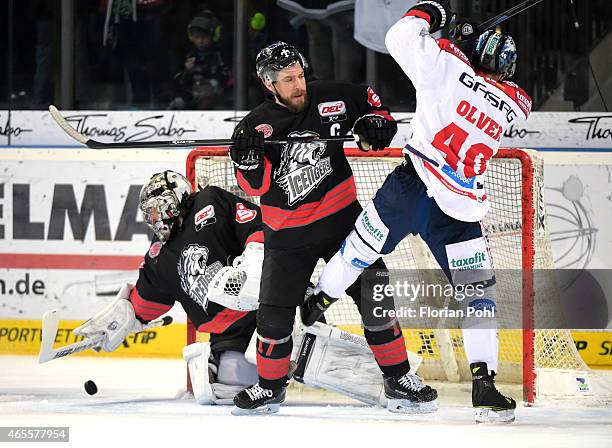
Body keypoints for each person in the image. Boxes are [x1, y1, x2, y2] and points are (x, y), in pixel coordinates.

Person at [306, 1, 532, 423]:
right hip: (460, 211)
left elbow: (399, 37)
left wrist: (437, 18)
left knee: (358, 250)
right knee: (478, 298)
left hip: (408, 190)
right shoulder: (514, 104)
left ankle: (315, 301)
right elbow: (486, 84)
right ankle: (484, 385)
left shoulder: (444, 64)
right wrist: (460, 49)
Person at [229, 41, 438, 415]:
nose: (298, 84)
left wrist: (378, 125)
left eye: (299, 75)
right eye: (288, 79)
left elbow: (375, 106)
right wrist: (247, 161)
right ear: (268, 84)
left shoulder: (334, 97)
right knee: (274, 316)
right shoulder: (253, 128)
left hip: (343, 223)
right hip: (288, 237)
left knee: (375, 291)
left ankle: (398, 379)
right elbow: (256, 188)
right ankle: (270, 387)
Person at [73, 171, 265, 404]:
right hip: (227, 332)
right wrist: (115, 321)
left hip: (261, 306)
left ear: (173, 201)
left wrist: (255, 264)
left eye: (155, 210)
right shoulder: (159, 255)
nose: (153, 219)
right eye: (148, 214)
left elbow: (257, 226)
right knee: (228, 378)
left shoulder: (211, 201)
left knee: (300, 354)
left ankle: (287, 363)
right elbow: (144, 303)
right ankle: (276, 376)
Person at [170, 10, 231, 110]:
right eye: (197, 37)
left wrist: (212, 84)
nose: (200, 41)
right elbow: (178, 81)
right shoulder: (188, 54)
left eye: (204, 37)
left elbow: (226, 77)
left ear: (213, 36)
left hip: (214, 96)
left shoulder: (220, 55)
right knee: (178, 102)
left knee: (206, 99)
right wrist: (187, 71)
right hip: (191, 94)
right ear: (191, 37)